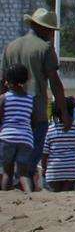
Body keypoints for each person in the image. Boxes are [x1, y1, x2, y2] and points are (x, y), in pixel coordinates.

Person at [2, 8, 70, 188]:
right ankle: (23, 185)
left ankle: (9, 189)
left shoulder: (10, 46)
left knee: (7, 165)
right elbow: (55, 83)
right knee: (29, 161)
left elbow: (2, 82)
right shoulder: (45, 48)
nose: (51, 34)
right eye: (50, 30)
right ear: (42, 28)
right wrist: (64, 112)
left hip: (10, 114)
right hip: (36, 110)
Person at [1, 64, 37, 192]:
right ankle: (29, 194)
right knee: (23, 172)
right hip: (26, 138)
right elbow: (33, 120)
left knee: (7, 172)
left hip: (7, 137)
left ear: (10, 82)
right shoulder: (30, 99)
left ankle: (5, 196)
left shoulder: (4, 98)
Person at [41, 97, 75, 191]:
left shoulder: (50, 130)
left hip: (54, 169)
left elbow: (45, 153)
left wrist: (44, 167)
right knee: (67, 192)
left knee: (55, 195)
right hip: (71, 169)